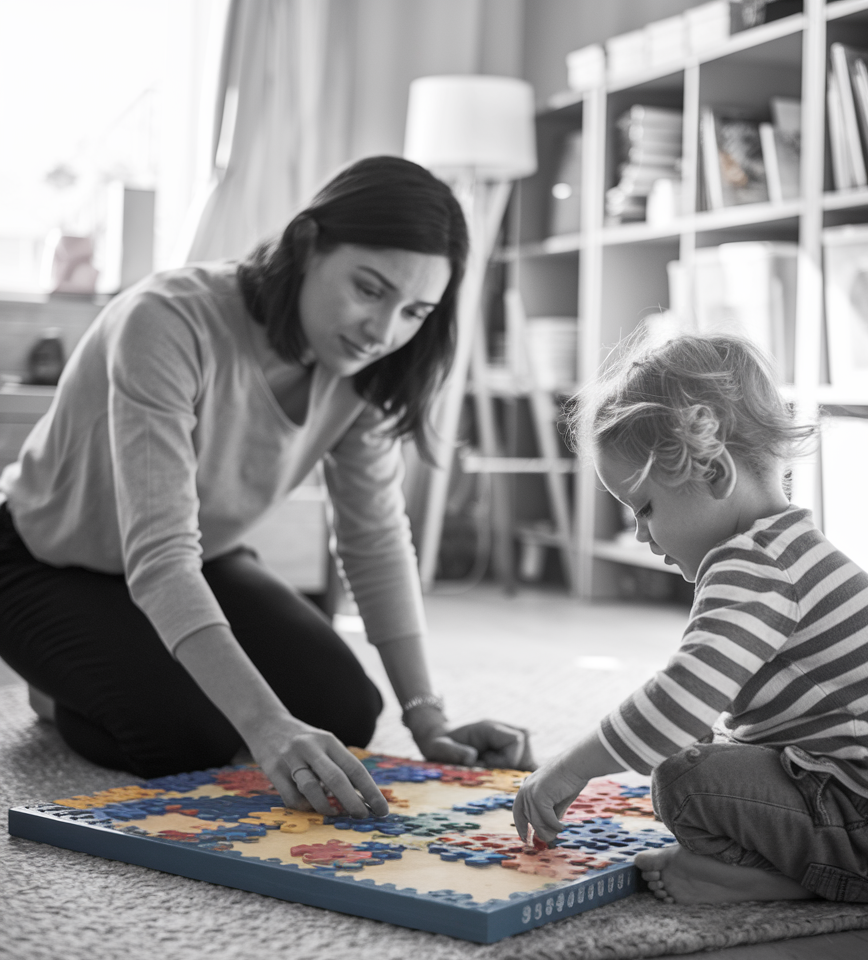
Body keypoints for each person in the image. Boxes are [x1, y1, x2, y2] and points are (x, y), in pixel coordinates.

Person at [0, 155, 532, 820]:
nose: (384, 331)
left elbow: (375, 540)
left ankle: (121, 660)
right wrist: (265, 726)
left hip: (206, 556)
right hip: (42, 558)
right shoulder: (166, 320)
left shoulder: (365, 369)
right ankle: (54, 691)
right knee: (182, 737)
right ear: (306, 245)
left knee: (346, 712)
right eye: (369, 289)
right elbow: (160, 560)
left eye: (414, 311)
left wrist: (428, 719)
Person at [513, 332, 868, 906]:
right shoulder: (788, 547)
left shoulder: (751, 564)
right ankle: (805, 865)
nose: (640, 533)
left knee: (683, 779)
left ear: (715, 475)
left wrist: (570, 769)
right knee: (707, 745)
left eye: (646, 506)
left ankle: (764, 879)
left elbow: (676, 703)